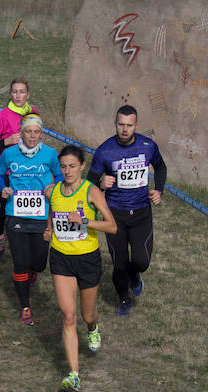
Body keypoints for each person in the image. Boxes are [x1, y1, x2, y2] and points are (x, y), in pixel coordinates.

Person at [43, 146, 117, 392]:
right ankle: (73, 374)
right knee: (68, 316)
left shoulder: (91, 191)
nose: (67, 171)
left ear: (82, 166)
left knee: (86, 315)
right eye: (63, 166)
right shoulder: (53, 191)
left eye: (72, 166)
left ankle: (93, 327)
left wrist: (85, 221)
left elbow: (112, 226)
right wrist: (50, 229)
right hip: (61, 258)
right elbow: (53, 214)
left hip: (87, 259)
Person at [87, 104, 166, 317]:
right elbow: (89, 183)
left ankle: (135, 274)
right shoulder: (105, 151)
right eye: (121, 124)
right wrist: (102, 184)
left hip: (141, 212)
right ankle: (123, 299)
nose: (124, 129)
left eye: (129, 125)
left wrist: (159, 190)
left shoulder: (148, 146)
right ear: (115, 123)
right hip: (115, 214)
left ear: (136, 125)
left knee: (141, 261)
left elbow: (160, 167)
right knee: (119, 263)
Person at [0, 113, 62, 324]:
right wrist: (2, 187)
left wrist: (54, 186)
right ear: (21, 132)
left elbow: (59, 175)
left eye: (36, 132)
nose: (32, 136)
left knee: (40, 262)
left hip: (42, 215)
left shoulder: (50, 154)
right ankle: (25, 306)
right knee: (20, 263)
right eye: (28, 131)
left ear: (42, 134)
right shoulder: (9, 154)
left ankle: (35, 271)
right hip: (16, 214)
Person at [0, 77, 38, 256]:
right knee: (7, 208)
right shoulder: (3, 116)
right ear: (10, 94)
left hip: (30, 171)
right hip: (8, 172)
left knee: (26, 209)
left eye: (22, 92)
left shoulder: (34, 113)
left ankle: (24, 245)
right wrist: (6, 141)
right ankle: (0, 234)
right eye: (14, 92)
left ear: (28, 94)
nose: (18, 95)